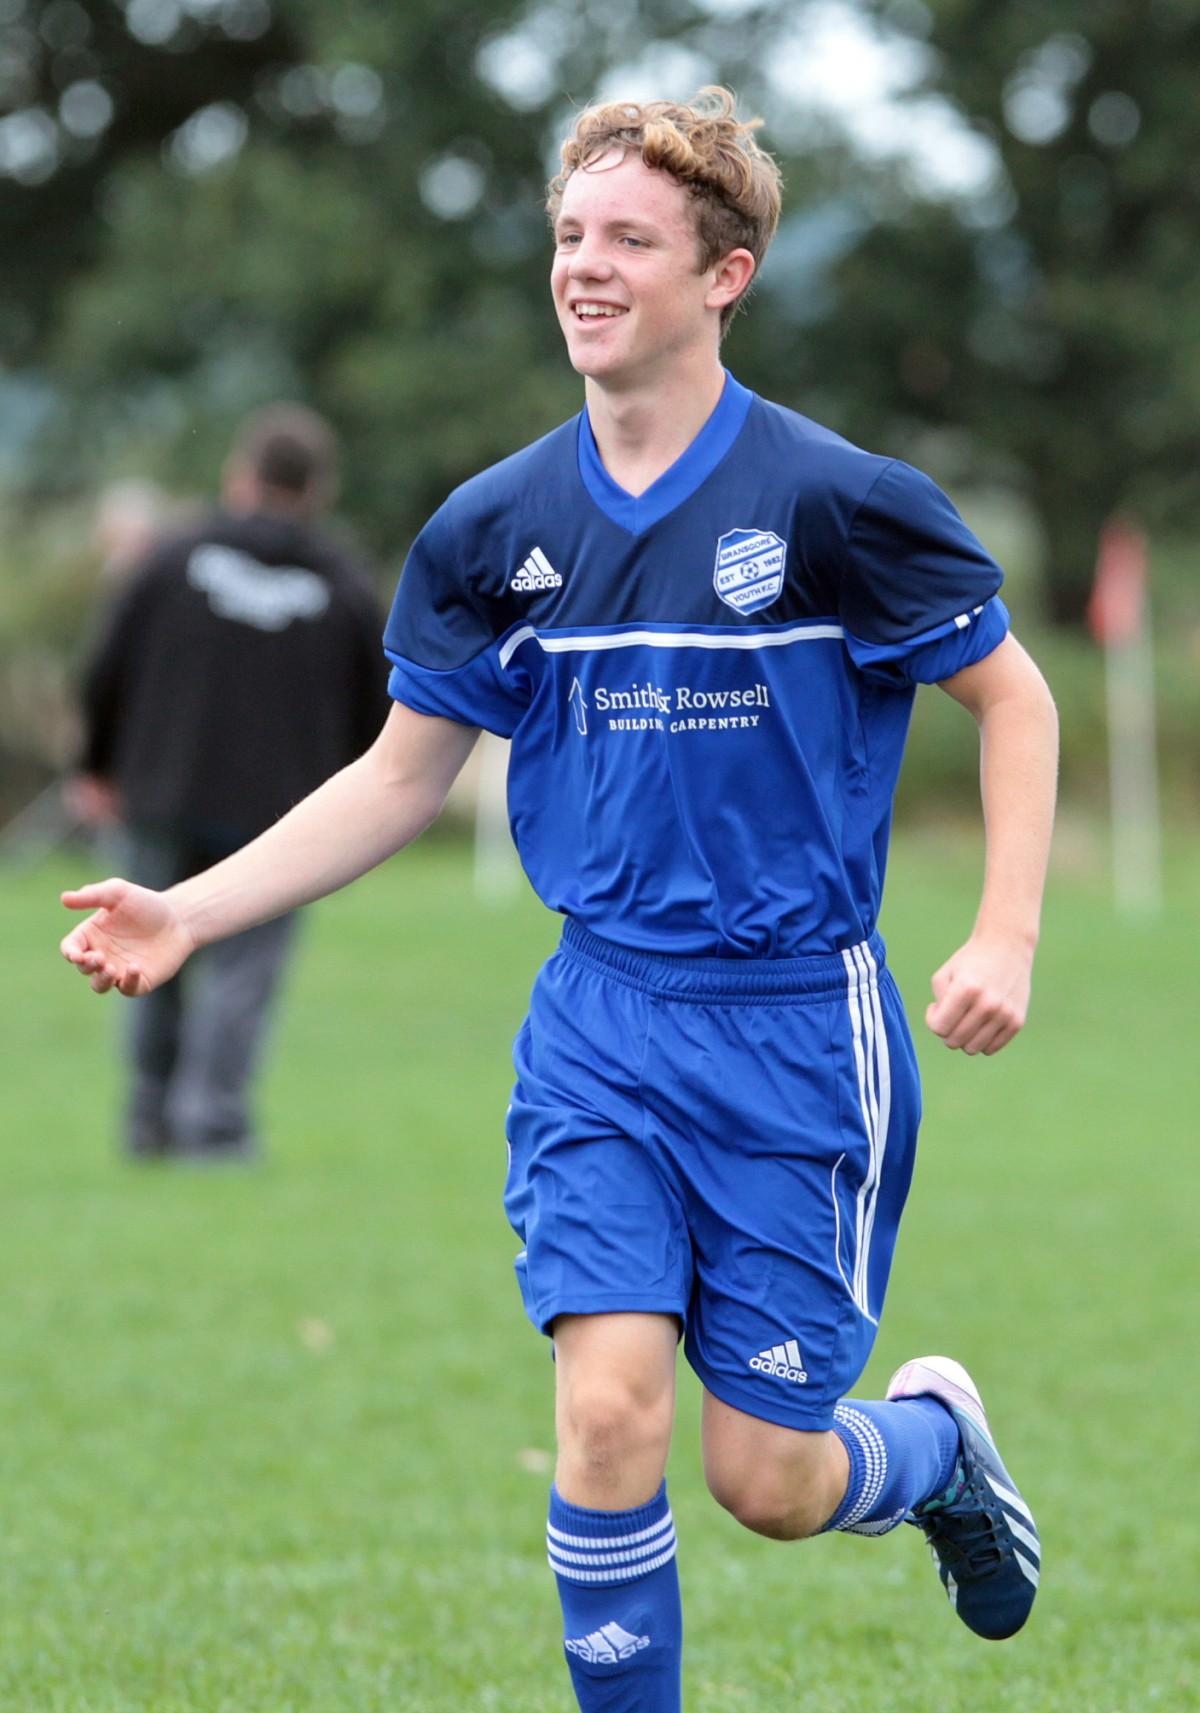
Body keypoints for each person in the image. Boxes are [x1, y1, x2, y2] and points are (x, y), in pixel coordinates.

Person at [61, 90, 1058, 1706]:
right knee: (604, 1409)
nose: (584, 269)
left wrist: (1005, 928)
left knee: (768, 1478)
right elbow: (397, 776)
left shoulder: (837, 506)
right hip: (601, 1018)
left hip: (799, 1023)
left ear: (724, 274)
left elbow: (1018, 701)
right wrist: (192, 906)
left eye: (629, 242)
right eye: (570, 236)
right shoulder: (490, 531)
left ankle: (937, 1450)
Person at [71, 404, 388, 1160]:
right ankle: (213, 1128)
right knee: (243, 975)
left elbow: (104, 667)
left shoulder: (169, 557)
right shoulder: (343, 582)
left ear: (240, 475)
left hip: (163, 794)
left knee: (140, 952)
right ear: (318, 489)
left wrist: (96, 764)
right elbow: (381, 709)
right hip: (281, 817)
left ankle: (149, 1120)